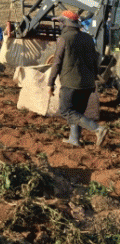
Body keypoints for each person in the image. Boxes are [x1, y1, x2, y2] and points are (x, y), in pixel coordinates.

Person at [47, 10, 108, 147]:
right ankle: (74, 139)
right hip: (88, 83)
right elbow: (95, 61)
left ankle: (97, 129)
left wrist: (50, 83)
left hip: (71, 83)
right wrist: (93, 79)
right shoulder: (88, 38)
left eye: (60, 22)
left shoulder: (64, 38)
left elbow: (57, 62)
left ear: (65, 23)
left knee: (66, 111)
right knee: (78, 112)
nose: (59, 25)